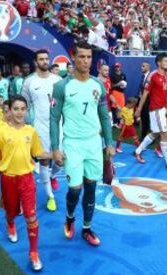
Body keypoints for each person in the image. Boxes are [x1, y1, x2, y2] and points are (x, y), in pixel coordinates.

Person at [50, 41, 114, 246]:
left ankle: (87, 229)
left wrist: (109, 143)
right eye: (81, 57)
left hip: (94, 144)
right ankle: (70, 218)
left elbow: (104, 116)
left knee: (91, 187)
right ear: (73, 58)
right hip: (73, 145)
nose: (85, 61)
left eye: (88, 57)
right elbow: (54, 118)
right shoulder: (62, 86)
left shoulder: (98, 85)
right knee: (75, 189)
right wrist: (55, 148)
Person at [0, 95, 52, 271]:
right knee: (11, 212)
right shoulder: (1, 131)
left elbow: (38, 152)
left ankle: (34, 253)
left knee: (30, 216)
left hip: (27, 179)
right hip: (8, 179)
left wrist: (54, 155)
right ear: (10, 111)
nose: (20, 112)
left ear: (26, 110)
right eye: (16, 109)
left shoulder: (31, 131)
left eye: (23, 109)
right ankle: (11, 224)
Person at [21, 49, 63, 211]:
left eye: (47, 59)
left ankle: (52, 176)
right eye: (41, 59)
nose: (45, 62)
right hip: (40, 127)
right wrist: (27, 126)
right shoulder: (29, 82)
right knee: (44, 160)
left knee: (61, 160)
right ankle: (50, 197)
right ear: (35, 62)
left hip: (59, 125)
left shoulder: (58, 80)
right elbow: (23, 105)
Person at [134, 53, 167, 172]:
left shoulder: (165, 76)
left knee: (155, 133)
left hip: (161, 109)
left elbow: (164, 94)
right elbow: (145, 93)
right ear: (159, 63)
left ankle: (138, 151)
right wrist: (139, 109)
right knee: (164, 134)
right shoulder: (153, 76)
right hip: (156, 110)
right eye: (165, 61)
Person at [110, 63, 127, 127]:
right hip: (115, 92)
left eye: (118, 67)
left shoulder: (123, 75)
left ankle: (120, 122)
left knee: (121, 108)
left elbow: (125, 85)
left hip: (121, 93)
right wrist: (118, 84)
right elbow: (111, 86)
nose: (117, 68)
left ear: (120, 67)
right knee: (114, 107)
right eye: (116, 67)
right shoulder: (112, 75)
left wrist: (123, 86)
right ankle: (114, 122)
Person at [138, 62, 151, 140]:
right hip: (143, 101)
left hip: (149, 102)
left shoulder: (151, 76)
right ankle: (143, 136)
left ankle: (150, 138)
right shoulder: (143, 76)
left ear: (148, 66)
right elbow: (141, 89)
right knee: (144, 119)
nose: (141, 67)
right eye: (141, 66)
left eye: (143, 66)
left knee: (149, 120)